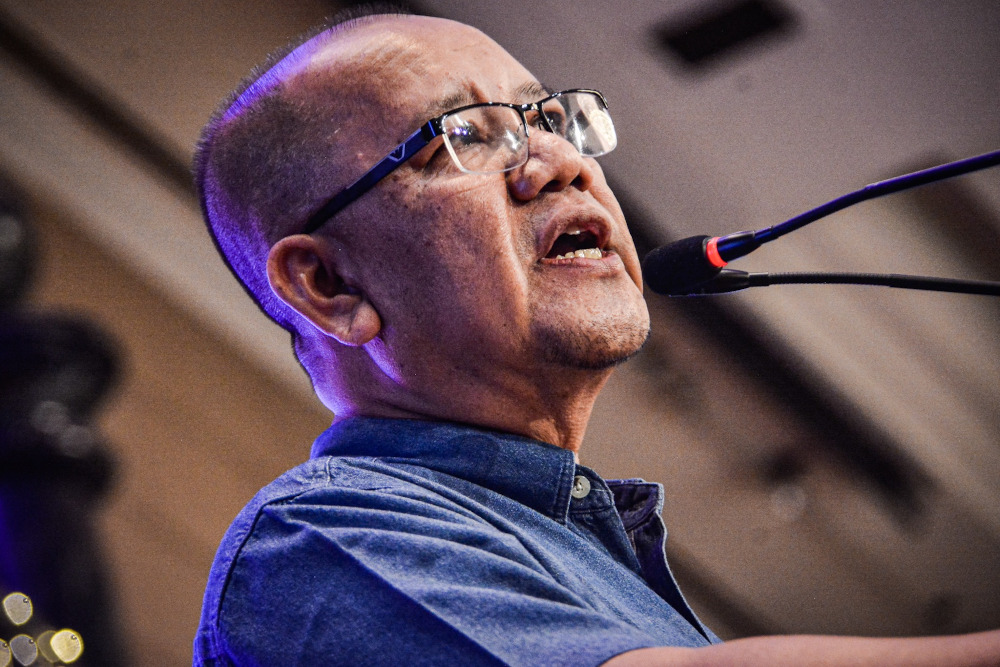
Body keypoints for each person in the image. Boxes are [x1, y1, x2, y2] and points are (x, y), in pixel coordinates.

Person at [192, 9, 1000, 666]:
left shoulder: (587, 549)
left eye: (549, 118)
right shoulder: (315, 542)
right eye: (465, 135)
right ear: (329, 286)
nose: (557, 159)